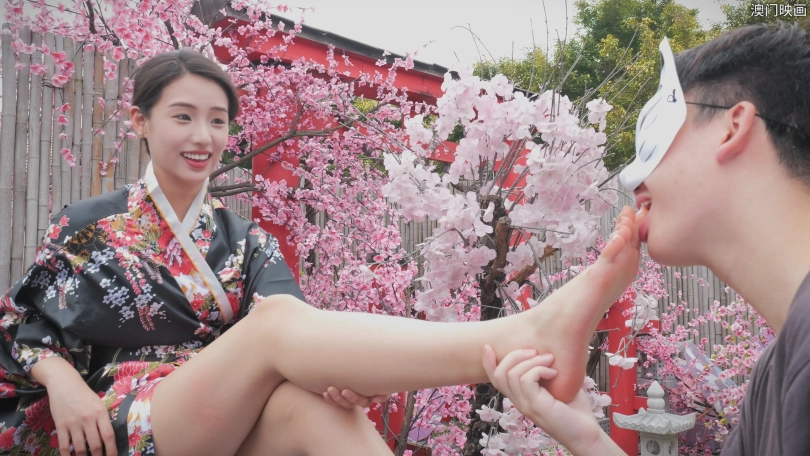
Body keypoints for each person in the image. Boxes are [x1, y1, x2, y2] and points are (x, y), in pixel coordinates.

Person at [0, 50, 643, 456]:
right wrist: (62, 383)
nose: (204, 136)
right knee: (271, 326)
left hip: (224, 420)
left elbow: (299, 333)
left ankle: (524, 334)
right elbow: (21, 331)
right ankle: (523, 334)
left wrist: (334, 375)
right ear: (140, 121)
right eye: (183, 116)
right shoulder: (87, 225)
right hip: (113, 420)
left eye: (218, 120)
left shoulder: (245, 241)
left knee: (315, 404)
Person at [484, 20, 810, 456]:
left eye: (655, 133)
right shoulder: (777, 371)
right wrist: (587, 438)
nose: (630, 179)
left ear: (732, 128)